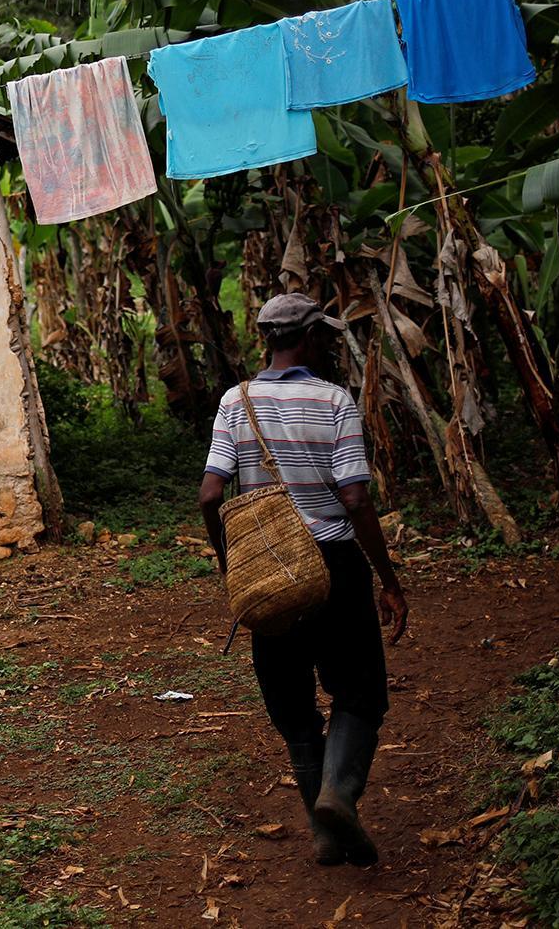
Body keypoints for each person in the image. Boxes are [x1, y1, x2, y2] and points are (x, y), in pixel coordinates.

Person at [199, 291, 408, 867]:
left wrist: (231, 564)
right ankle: (338, 795)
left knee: (291, 699)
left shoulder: (235, 402)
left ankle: (323, 827)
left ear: (266, 339)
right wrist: (387, 578)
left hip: (268, 566)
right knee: (360, 690)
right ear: (311, 338)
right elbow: (355, 496)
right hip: (334, 563)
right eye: (325, 336)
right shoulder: (335, 400)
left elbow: (211, 493)